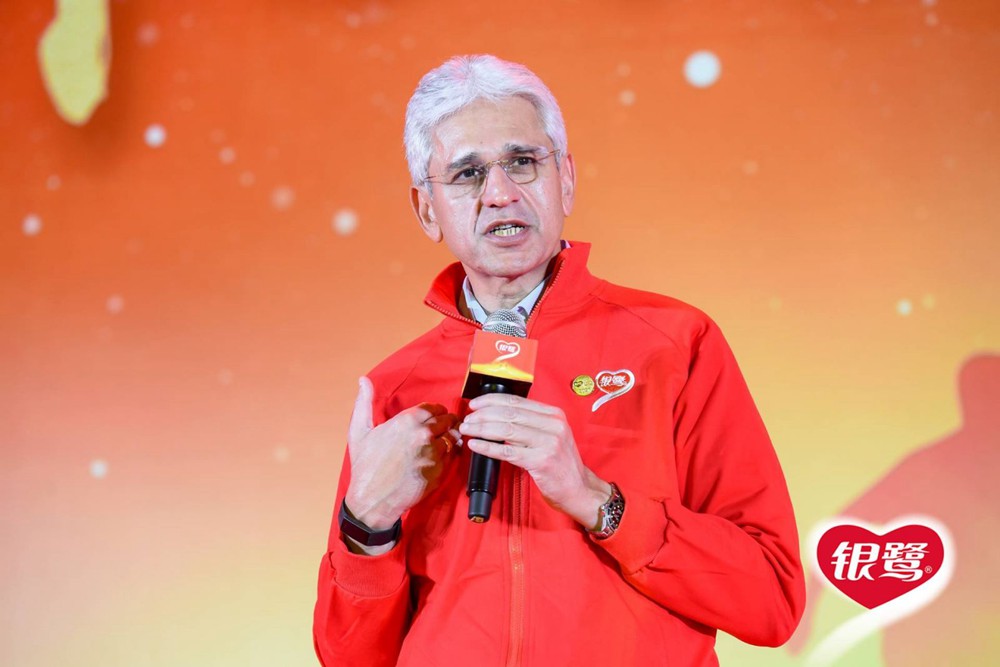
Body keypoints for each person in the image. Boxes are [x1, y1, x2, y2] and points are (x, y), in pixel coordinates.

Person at [313, 54, 805, 667]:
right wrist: (366, 522)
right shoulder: (396, 390)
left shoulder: (674, 344)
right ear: (427, 210)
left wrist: (599, 501)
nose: (500, 193)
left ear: (565, 179)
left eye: (523, 161)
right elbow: (350, 658)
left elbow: (771, 601)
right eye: (467, 173)